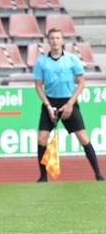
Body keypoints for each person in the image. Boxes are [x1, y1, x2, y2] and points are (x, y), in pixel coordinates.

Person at [34, 28, 104, 182]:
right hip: (50, 102)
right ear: (48, 41)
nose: (55, 41)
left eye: (58, 38)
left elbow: (81, 83)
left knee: (83, 138)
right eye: (52, 38)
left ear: (62, 40)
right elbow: (38, 85)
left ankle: (98, 174)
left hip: (68, 101)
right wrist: (47, 105)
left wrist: (70, 104)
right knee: (42, 138)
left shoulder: (72, 59)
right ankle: (43, 177)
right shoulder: (42, 62)